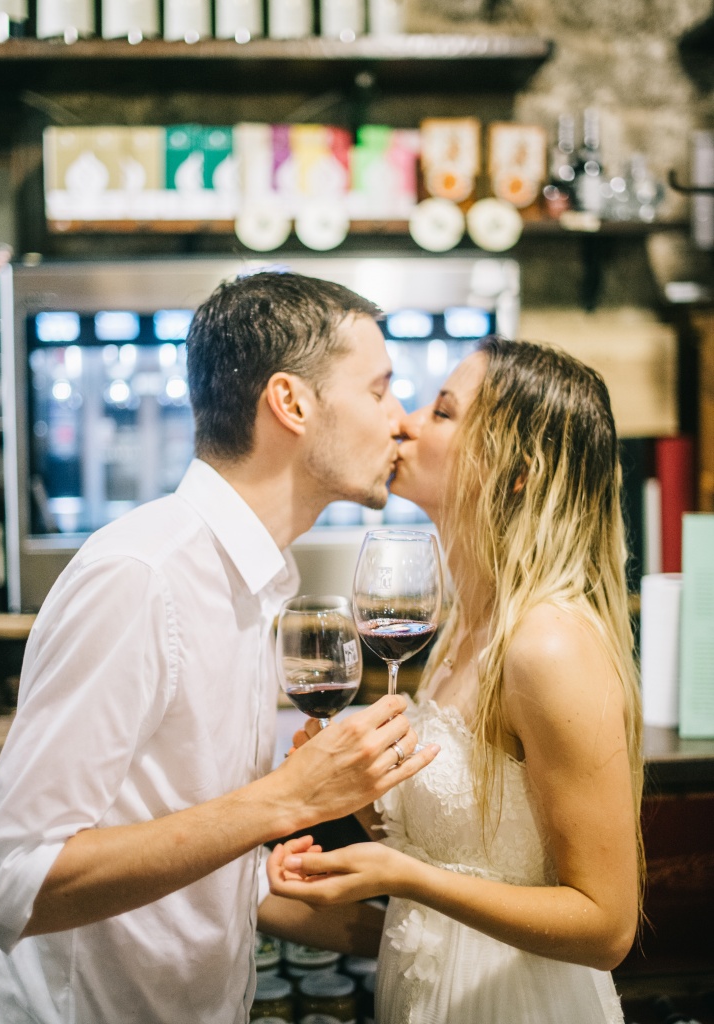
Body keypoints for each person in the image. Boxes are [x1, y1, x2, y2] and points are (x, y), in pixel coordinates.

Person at [0, 270, 439, 1024]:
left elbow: (186, 848)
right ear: (291, 403)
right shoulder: (143, 576)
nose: (400, 420)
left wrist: (425, 939)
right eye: (380, 390)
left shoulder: (253, 579)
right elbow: (8, 882)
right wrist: (288, 798)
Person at [268, 335, 645, 1024]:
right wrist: (352, 800)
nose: (406, 421)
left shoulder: (548, 645)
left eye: (442, 412)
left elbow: (607, 926)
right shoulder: (465, 625)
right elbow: (464, 846)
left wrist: (407, 877)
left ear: (517, 473)